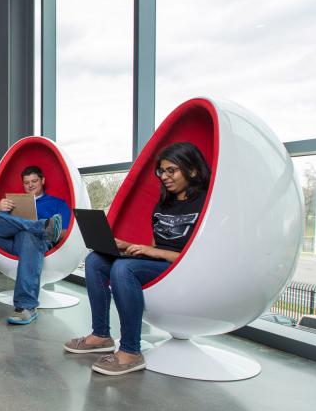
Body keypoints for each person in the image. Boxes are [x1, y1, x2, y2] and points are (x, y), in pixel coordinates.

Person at [63, 141, 210, 376]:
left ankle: (131, 351)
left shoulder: (205, 204)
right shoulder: (164, 204)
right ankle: (101, 335)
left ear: (192, 170)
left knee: (122, 268)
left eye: (171, 170)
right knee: (95, 261)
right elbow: (156, 246)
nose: (164, 176)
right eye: (162, 171)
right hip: (160, 262)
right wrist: (128, 246)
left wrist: (155, 252)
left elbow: (203, 256)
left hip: (182, 268)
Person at [0, 165, 70, 325]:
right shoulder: (14, 202)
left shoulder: (57, 203)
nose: (30, 185)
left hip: (37, 243)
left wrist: (35, 230)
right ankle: (41, 226)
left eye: (34, 181)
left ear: (42, 180)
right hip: (11, 242)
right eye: (26, 182)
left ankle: (26, 306)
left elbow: (64, 231)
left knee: (29, 236)